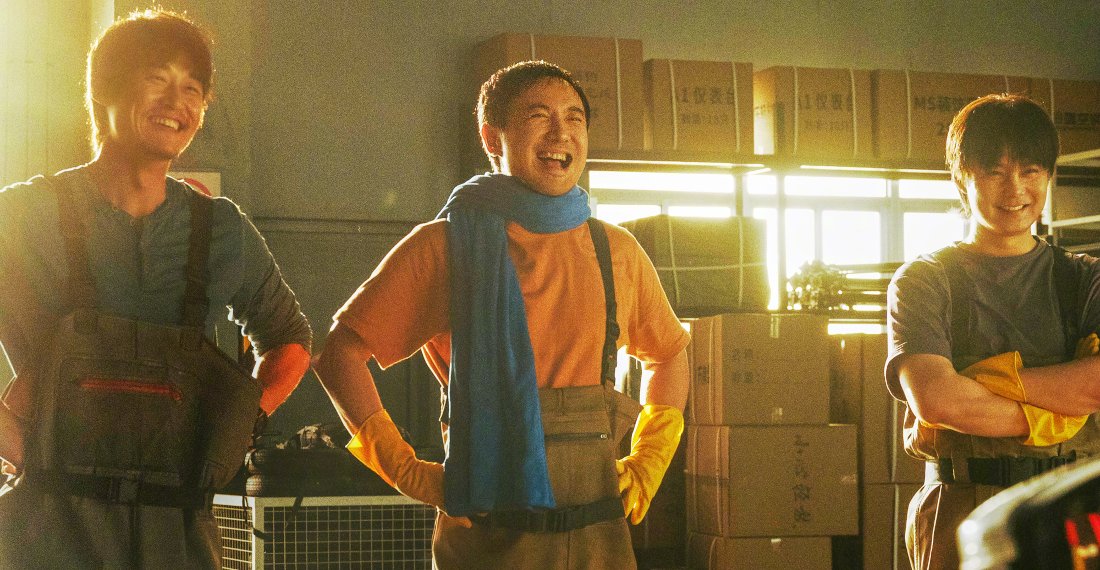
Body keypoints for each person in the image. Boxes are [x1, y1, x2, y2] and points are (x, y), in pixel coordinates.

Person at [314, 60, 690, 569]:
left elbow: (670, 355)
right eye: (539, 116)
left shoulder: (616, 252)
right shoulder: (445, 247)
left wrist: (649, 460)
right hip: (490, 539)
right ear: (493, 138)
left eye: (574, 118)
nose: (561, 133)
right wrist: (406, 470)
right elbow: (338, 356)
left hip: (599, 536)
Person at [0, 9, 312, 568]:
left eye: (193, 89)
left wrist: (242, 423)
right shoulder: (24, 215)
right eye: (158, 79)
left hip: (180, 531)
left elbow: (289, 338)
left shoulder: (220, 229)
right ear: (104, 91)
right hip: (49, 527)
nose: (178, 103)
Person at [886, 93, 1100, 570]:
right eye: (995, 172)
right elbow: (939, 401)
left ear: (1049, 176)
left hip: (1071, 502)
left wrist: (982, 380)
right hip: (962, 499)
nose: (1015, 189)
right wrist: (1058, 412)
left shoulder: (1085, 278)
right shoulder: (924, 280)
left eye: (1030, 171)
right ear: (961, 179)